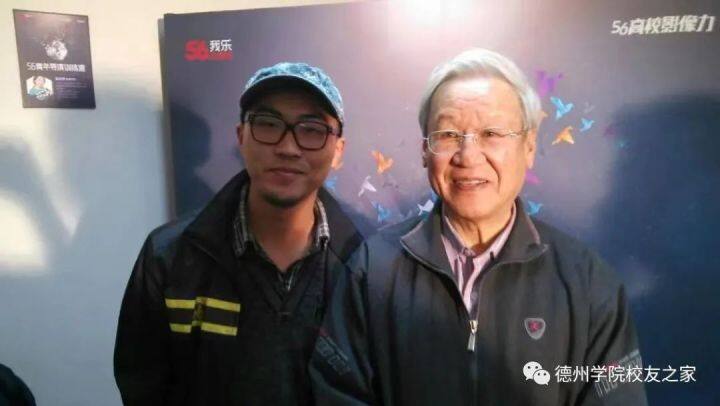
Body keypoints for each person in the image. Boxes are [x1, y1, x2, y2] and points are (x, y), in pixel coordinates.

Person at [310, 49, 648, 405]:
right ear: (425, 150)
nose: (468, 156)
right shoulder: (373, 268)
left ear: (529, 146)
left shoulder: (588, 281)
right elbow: (337, 393)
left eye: (491, 133)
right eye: (448, 134)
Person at [114, 62, 365, 405]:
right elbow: (142, 386)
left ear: (338, 151)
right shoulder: (169, 256)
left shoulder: (365, 263)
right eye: (268, 124)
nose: (288, 147)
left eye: (312, 130)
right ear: (241, 136)